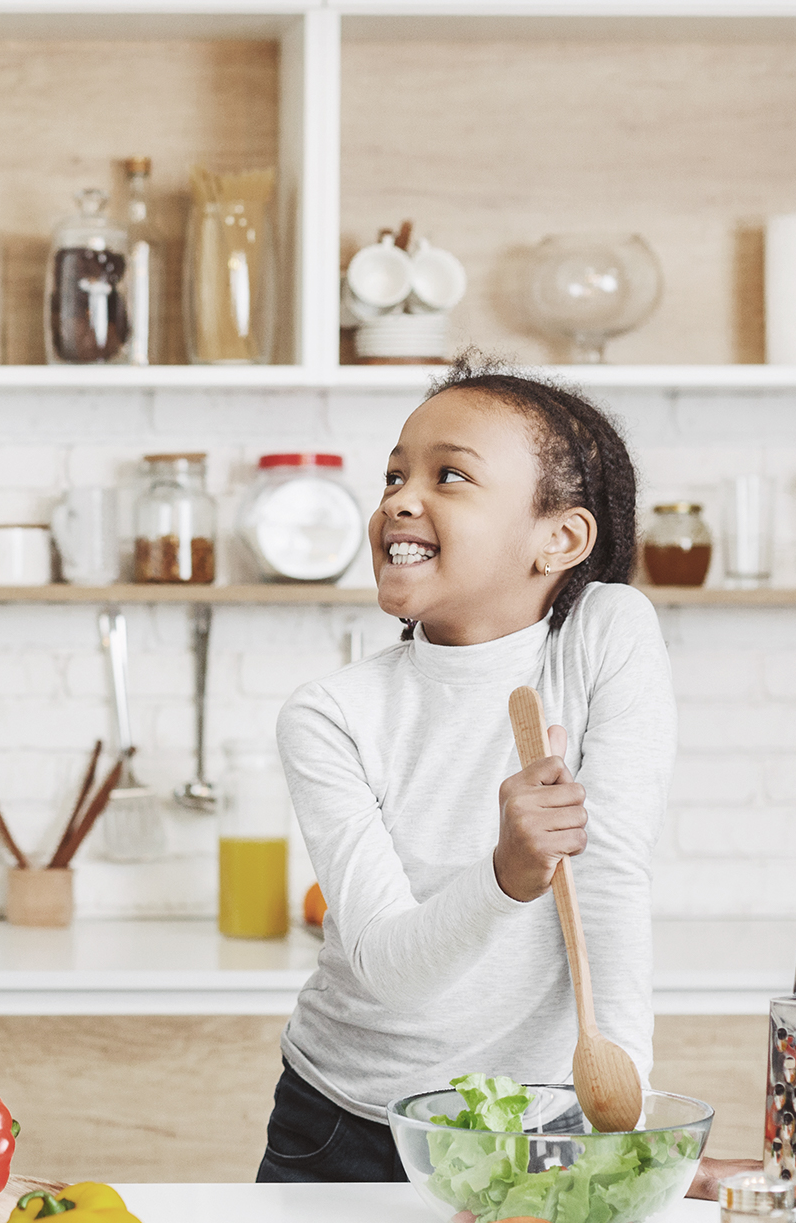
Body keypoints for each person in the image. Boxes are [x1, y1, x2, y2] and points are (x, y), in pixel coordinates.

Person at [261, 357, 685, 1181]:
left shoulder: (605, 635)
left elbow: (612, 875)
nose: (398, 499)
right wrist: (508, 872)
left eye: (448, 475)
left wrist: (623, 1104)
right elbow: (388, 968)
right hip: (349, 1124)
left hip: (544, 1119)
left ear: (558, 538)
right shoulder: (330, 715)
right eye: (394, 474)